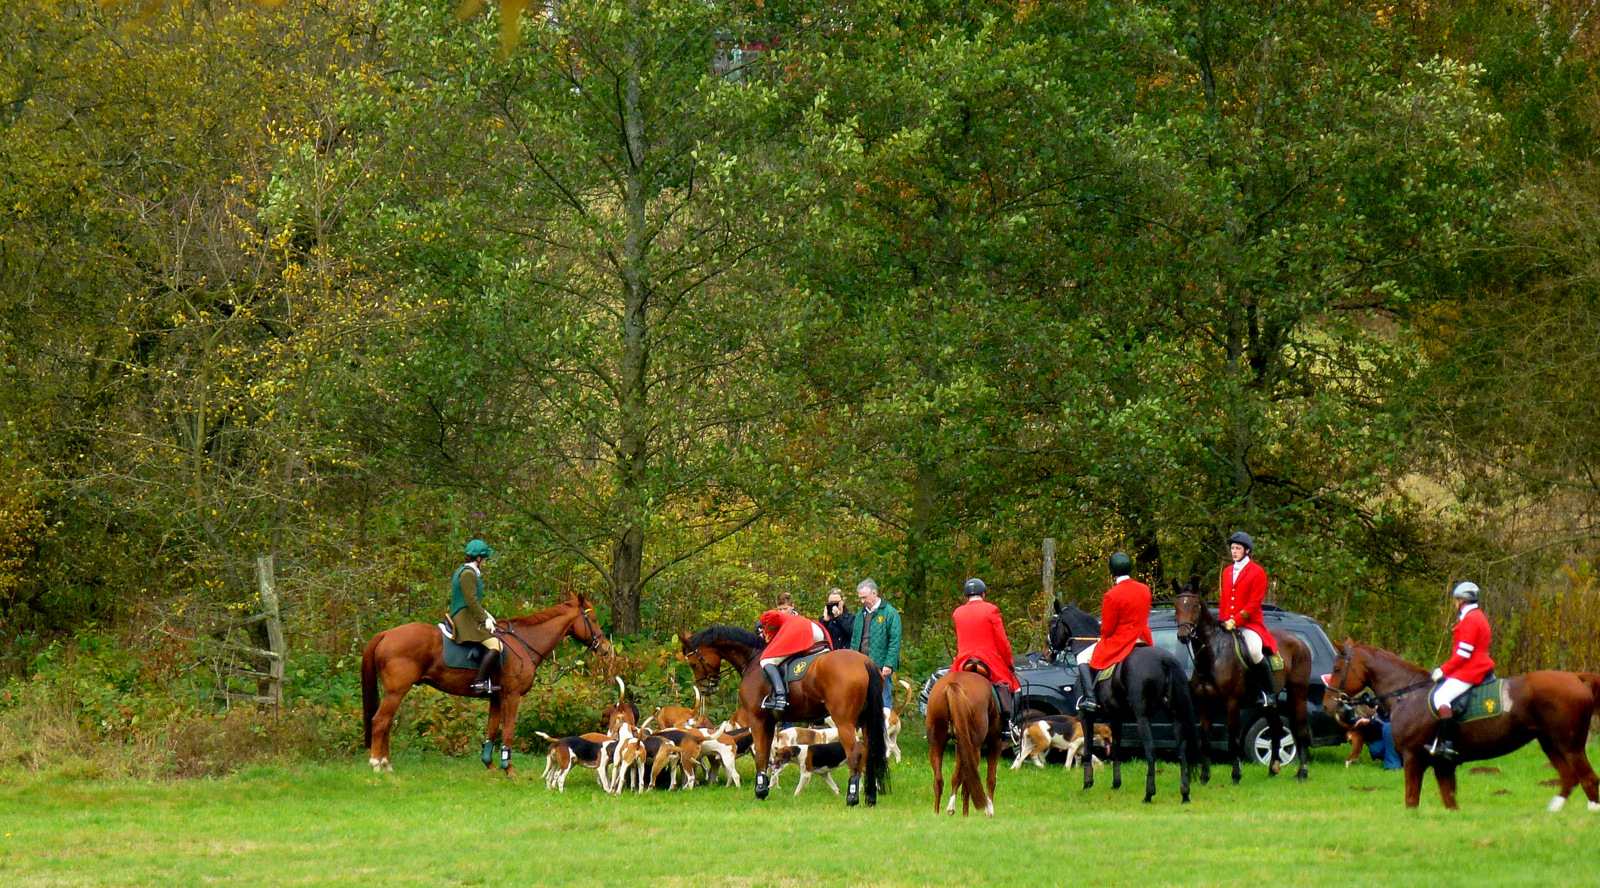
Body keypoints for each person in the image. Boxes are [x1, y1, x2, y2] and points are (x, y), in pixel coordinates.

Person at [1075, 552, 1153, 714]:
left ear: (1112, 572)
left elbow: (1107, 629)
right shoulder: (1145, 589)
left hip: (1122, 641)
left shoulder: (1111, 595)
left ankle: (1090, 699)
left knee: (1082, 657)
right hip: (1143, 638)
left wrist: (1103, 635)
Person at [1429, 581, 1495, 762]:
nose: (1454, 604)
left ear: (1461, 601)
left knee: (1440, 697)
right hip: (1475, 666)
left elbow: (1463, 654)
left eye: (1455, 601)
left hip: (1471, 670)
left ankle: (1449, 745)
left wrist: (1443, 670)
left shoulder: (1471, 620)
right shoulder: (1478, 616)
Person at [1219, 530, 1279, 710]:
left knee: (1253, 651)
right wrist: (1221, 620)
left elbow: (1254, 603)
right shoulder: (1228, 571)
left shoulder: (1257, 572)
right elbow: (1224, 599)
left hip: (1249, 624)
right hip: (1228, 623)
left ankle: (1269, 694)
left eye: (1237, 548)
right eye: (1232, 548)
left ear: (1247, 551)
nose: (1234, 551)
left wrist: (1236, 621)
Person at [950, 578, 1019, 730]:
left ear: (966, 596)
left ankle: (949, 722)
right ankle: (1008, 723)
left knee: (950, 685)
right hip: (988, 660)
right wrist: (1009, 663)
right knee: (1012, 685)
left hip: (963, 660)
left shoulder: (958, 613)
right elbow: (1002, 641)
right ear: (983, 594)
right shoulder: (991, 610)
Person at [449, 539, 503, 695]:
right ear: (478, 559)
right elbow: (471, 600)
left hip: (468, 614)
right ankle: (480, 682)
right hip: (465, 618)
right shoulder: (467, 574)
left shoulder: (466, 572)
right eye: (484, 558)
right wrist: (483, 618)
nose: (485, 561)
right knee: (496, 646)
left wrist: (486, 613)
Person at [755, 608, 831, 711]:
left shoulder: (766, 618)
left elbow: (771, 615)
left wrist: (769, 634)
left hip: (800, 629)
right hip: (816, 630)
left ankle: (780, 696)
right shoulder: (788, 619)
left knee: (766, 660)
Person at [850, 578, 902, 708]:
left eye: (864, 598)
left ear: (874, 593)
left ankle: (885, 727)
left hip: (880, 665)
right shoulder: (860, 615)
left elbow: (895, 641)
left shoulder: (890, 613)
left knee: (883, 700)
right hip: (861, 664)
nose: (862, 601)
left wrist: (889, 664)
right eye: (860, 598)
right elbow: (855, 640)